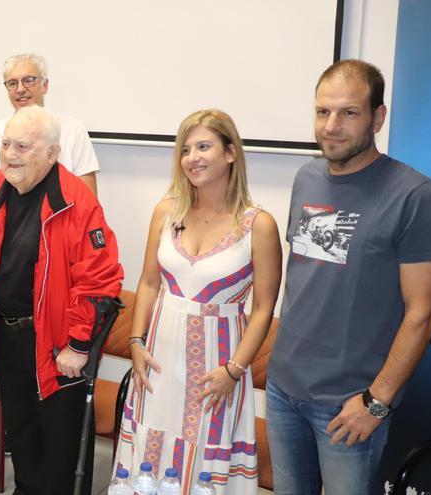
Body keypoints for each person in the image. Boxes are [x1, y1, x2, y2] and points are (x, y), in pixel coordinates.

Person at [266, 59, 431, 495]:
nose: (331, 126)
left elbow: (422, 313)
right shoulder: (307, 177)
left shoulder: (415, 196)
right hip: (283, 390)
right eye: (323, 112)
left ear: (377, 118)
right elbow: (307, 281)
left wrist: (377, 401)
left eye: (348, 112)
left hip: (350, 403)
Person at [0, 105, 124, 494]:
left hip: (59, 342)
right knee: (21, 426)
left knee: (60, 439)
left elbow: (101, 279)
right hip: (6, 335)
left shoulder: (76, 201)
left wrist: (79, 344)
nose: (10, 154)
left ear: (52, 153)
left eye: (23, 146)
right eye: (6, 144)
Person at [114, 109, 282, 494]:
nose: (192, 158)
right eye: (185, 149)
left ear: (230, 152)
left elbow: (263, 308)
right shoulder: (166, 211)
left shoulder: (259, 225)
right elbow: (149, 282)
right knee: (148, 455)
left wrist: (235, 370)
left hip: (218, 367)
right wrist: (136, 343)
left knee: (206, 460)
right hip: (158, 361)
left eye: (203, 146)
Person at [0, 53, 100, 195]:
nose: (20, 89)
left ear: (45, 85)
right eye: (12, 83)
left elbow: (89, 200)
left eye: (28, 80)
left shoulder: (73, 129)